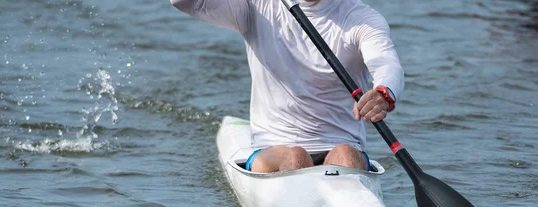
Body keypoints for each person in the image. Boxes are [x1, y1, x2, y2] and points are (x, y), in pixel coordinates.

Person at [170, 0, 403, 173]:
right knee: (296, 157)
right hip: (273, 148)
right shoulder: (256, 6)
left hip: (343, 146)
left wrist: (384, 92)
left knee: (345, 155)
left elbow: (387, 64)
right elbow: (183, 2)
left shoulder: (361, 19)